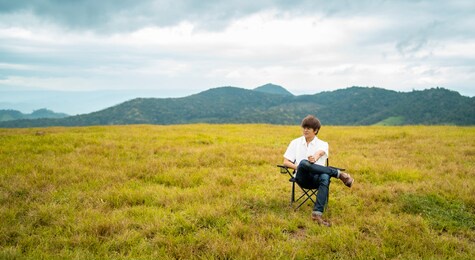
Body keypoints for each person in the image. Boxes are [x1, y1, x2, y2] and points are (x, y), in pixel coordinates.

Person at [283, 115, 354, 227]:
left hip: (317, 179)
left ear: (315, 130)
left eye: (308, 128)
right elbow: (286, 162)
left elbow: (320, 153)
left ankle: (317, 214)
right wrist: (301, 167)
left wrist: (314, 158)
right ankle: (339, 174)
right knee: (303, 163)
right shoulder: (295, 142)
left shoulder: (323, 144)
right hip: (302, 178)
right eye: (304, 127)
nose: (305, 130)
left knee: (325, 176)